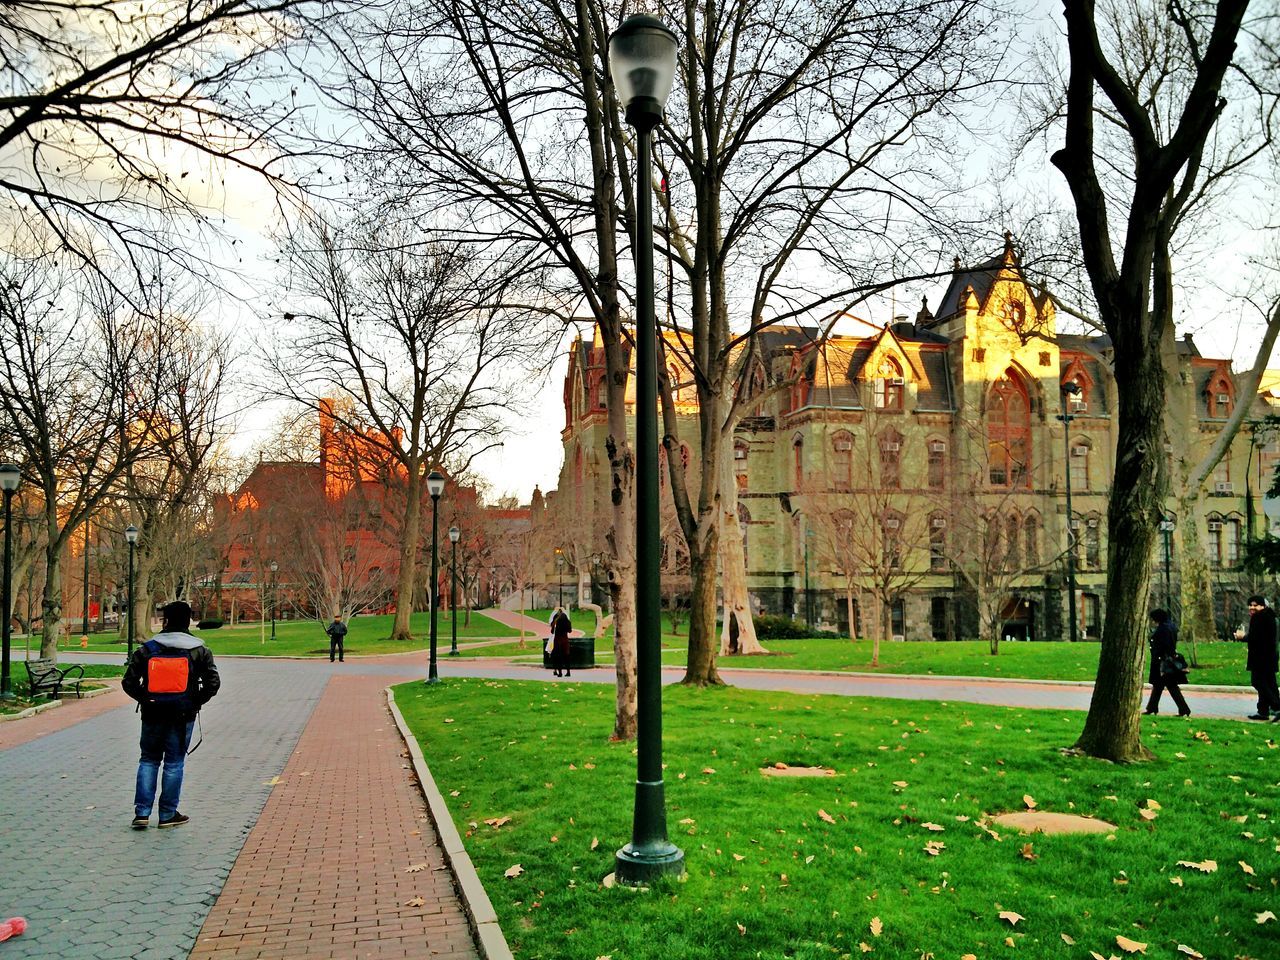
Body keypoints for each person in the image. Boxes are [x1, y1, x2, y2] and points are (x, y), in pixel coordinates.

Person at [122, 601, 220, 829]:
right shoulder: (199, 650)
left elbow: (128, 682)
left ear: (166, 620)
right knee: (174, 763)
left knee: (148, 759)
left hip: (152, 713)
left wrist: (146, 698)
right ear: (187, 621)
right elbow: (213, 683)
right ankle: (167, 814)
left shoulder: (147, 649)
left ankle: (142, 813)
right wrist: (195, 701)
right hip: (182, 715)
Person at [1234, 595, 1280, 721]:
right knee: (1270, 683)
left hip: (1261, 657)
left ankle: (1276, 706)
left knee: (1258, 682)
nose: (1252, 607)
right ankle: (1263, 711)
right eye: (1250, 605)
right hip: (1270, 656)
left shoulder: (1259, 618)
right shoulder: (1271, 617)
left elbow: (1256, 638)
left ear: (1263, 606)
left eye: (1255, 605)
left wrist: (1242, 637)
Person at [1142, 609, 1190, 717]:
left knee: (1170, 686)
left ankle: (1184, 709)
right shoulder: (1170, 627)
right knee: (1160, 686)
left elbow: (1164, 645)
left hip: (1163, 661)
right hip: (1166, 660)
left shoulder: (1163, 629)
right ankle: (1152, 708)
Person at [550, 605, 572, 678]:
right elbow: (570, 630)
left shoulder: (556, 620)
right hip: (565, 640)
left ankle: (559, 672)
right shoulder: (566, 620)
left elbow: (552, 631)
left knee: (557, 656)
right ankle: (568, 671)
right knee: (567, 656)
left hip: (557, 640)